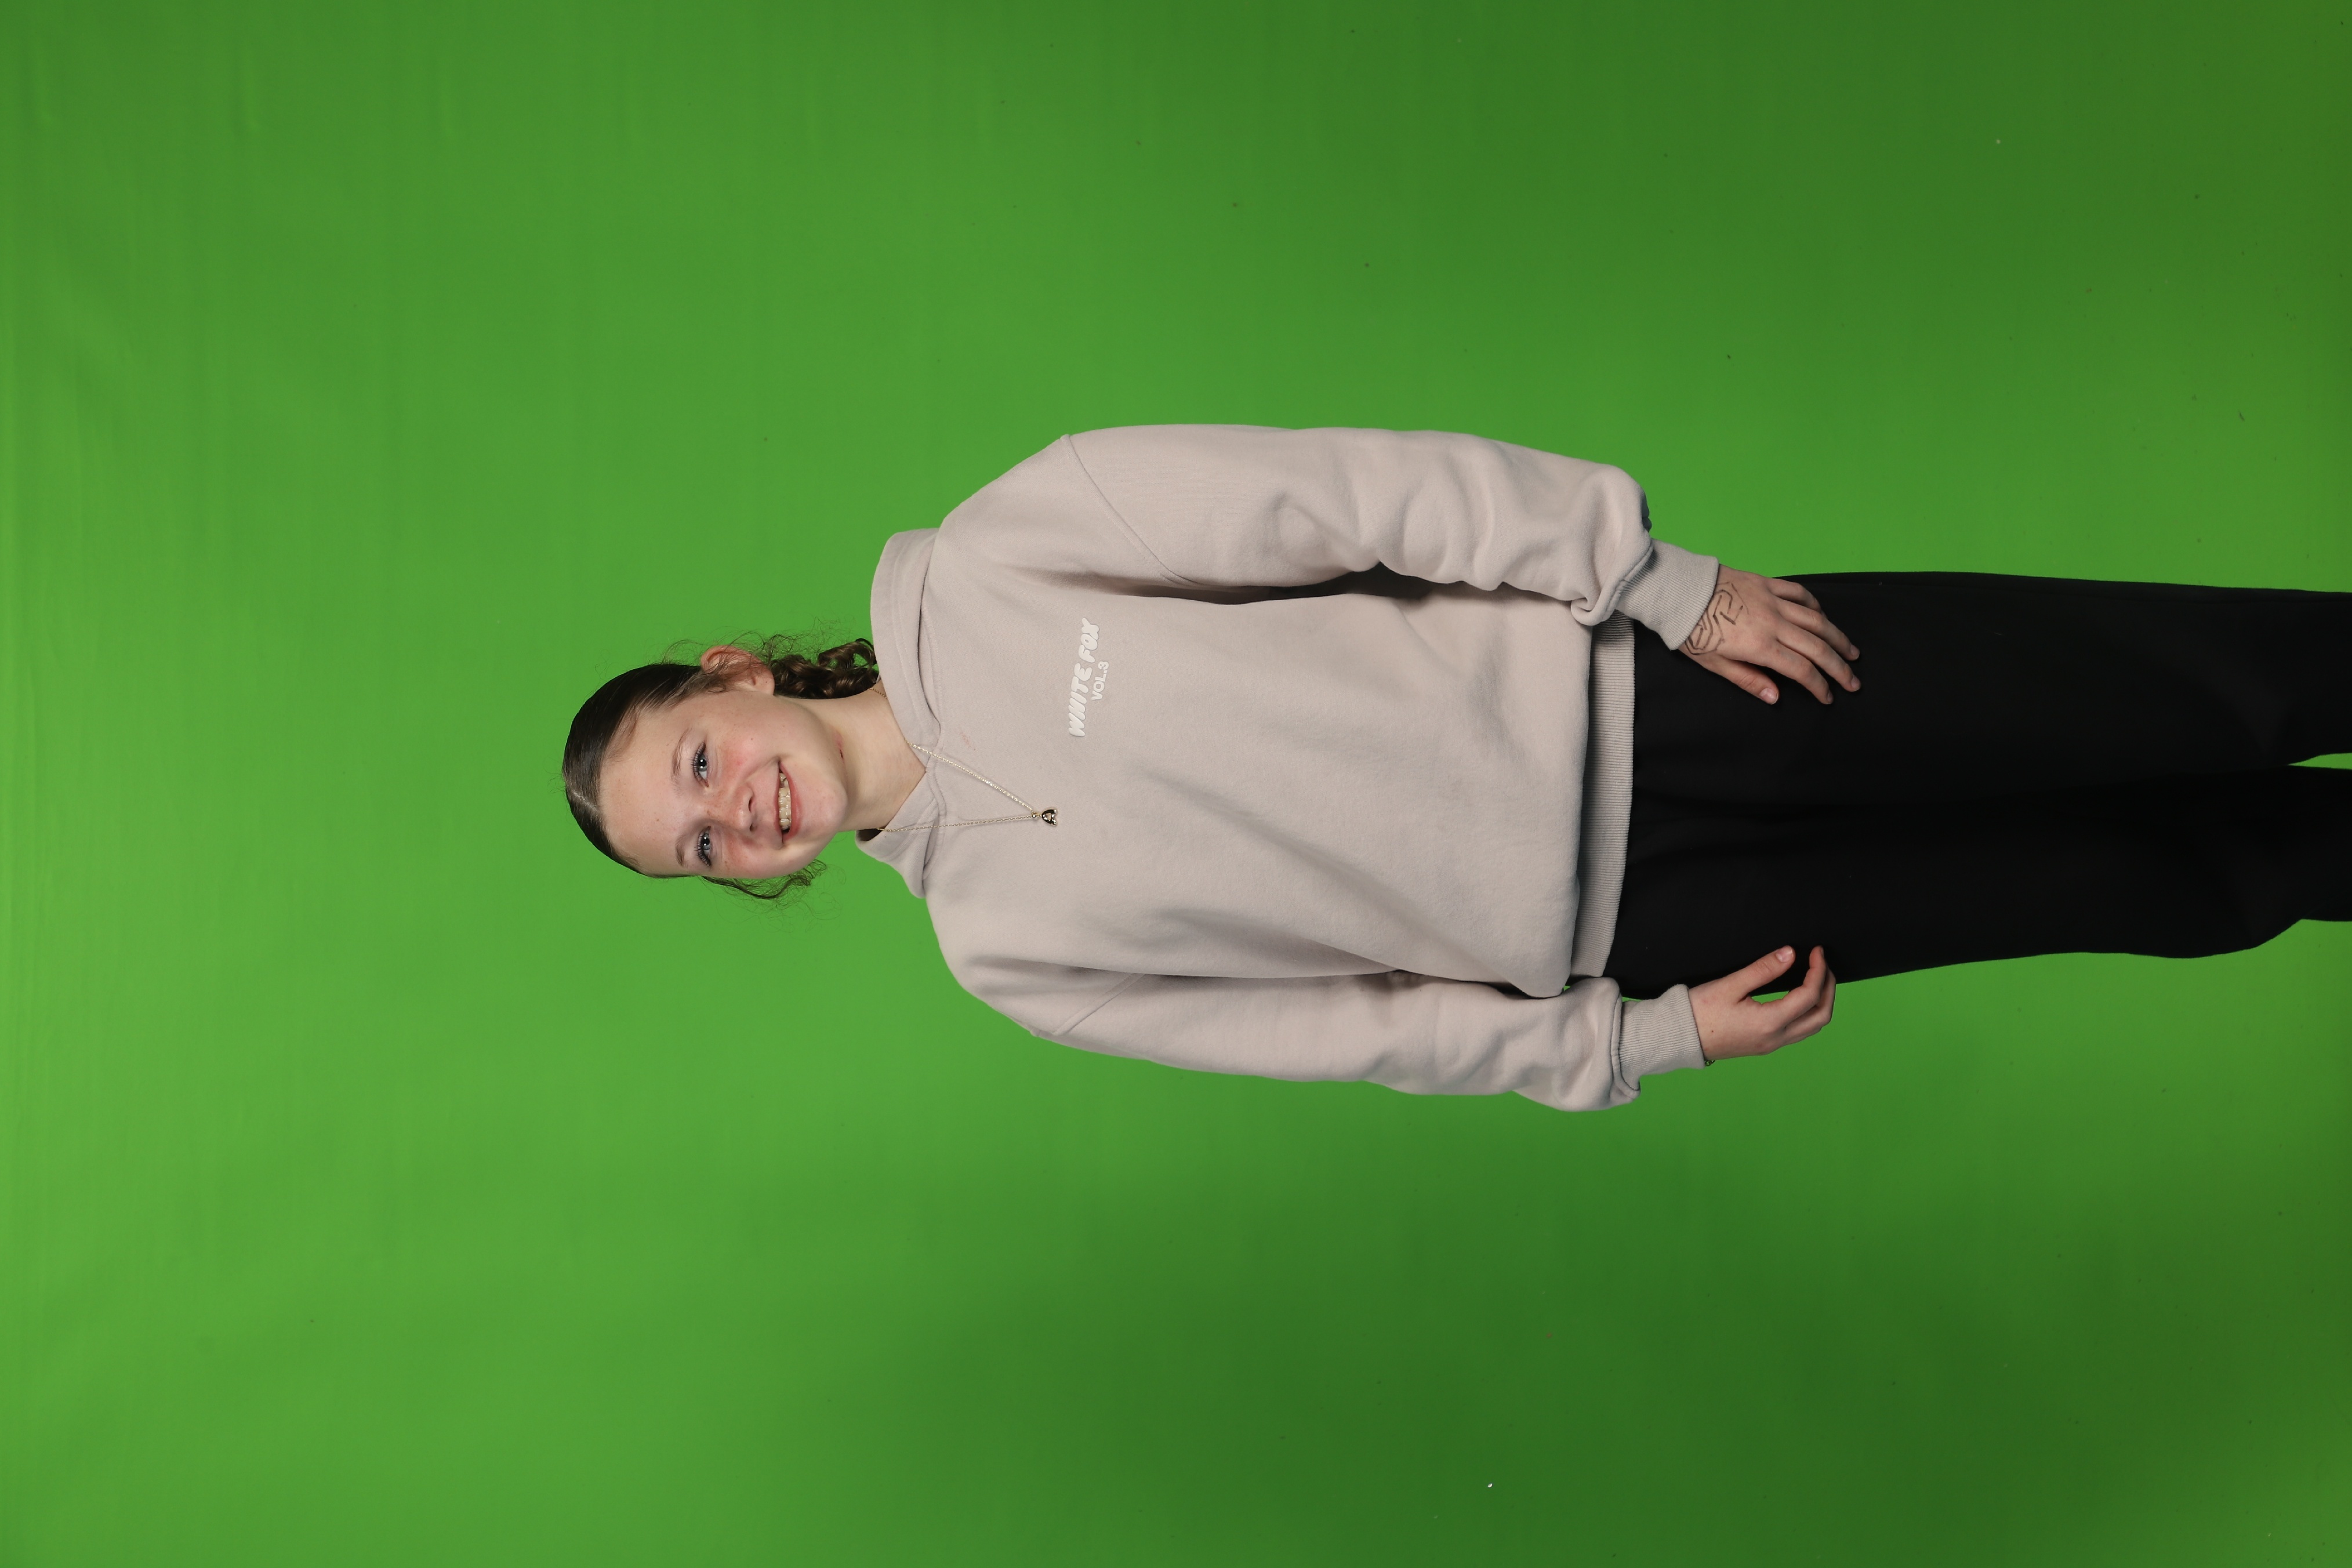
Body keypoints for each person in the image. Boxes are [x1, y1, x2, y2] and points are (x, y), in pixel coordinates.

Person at [562, 426, 2352, 1112]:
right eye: (700, 847)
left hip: (1655, 688)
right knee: (2128, 880)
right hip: (1648, 920)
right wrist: (1630, 1043)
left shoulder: (1000, 553)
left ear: (734, 675)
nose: (737, 813)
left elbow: (1350, 494)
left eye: (698, 763)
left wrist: (1657, 579)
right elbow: (1351, 1031)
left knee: (2156, 686)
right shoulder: (1004, 957)